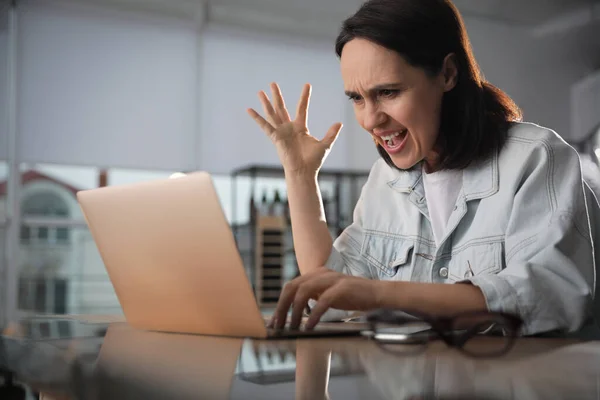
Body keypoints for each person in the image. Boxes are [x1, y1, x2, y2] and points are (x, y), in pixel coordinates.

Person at [247, 0, 596, 336]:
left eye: (388, 92)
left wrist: (383, 294)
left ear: (447, 73)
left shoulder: (536, 159)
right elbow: (333, 293)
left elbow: (549, 298)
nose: (370, 119)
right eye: (356, 98)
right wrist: (300, 176)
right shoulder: (386, 181)